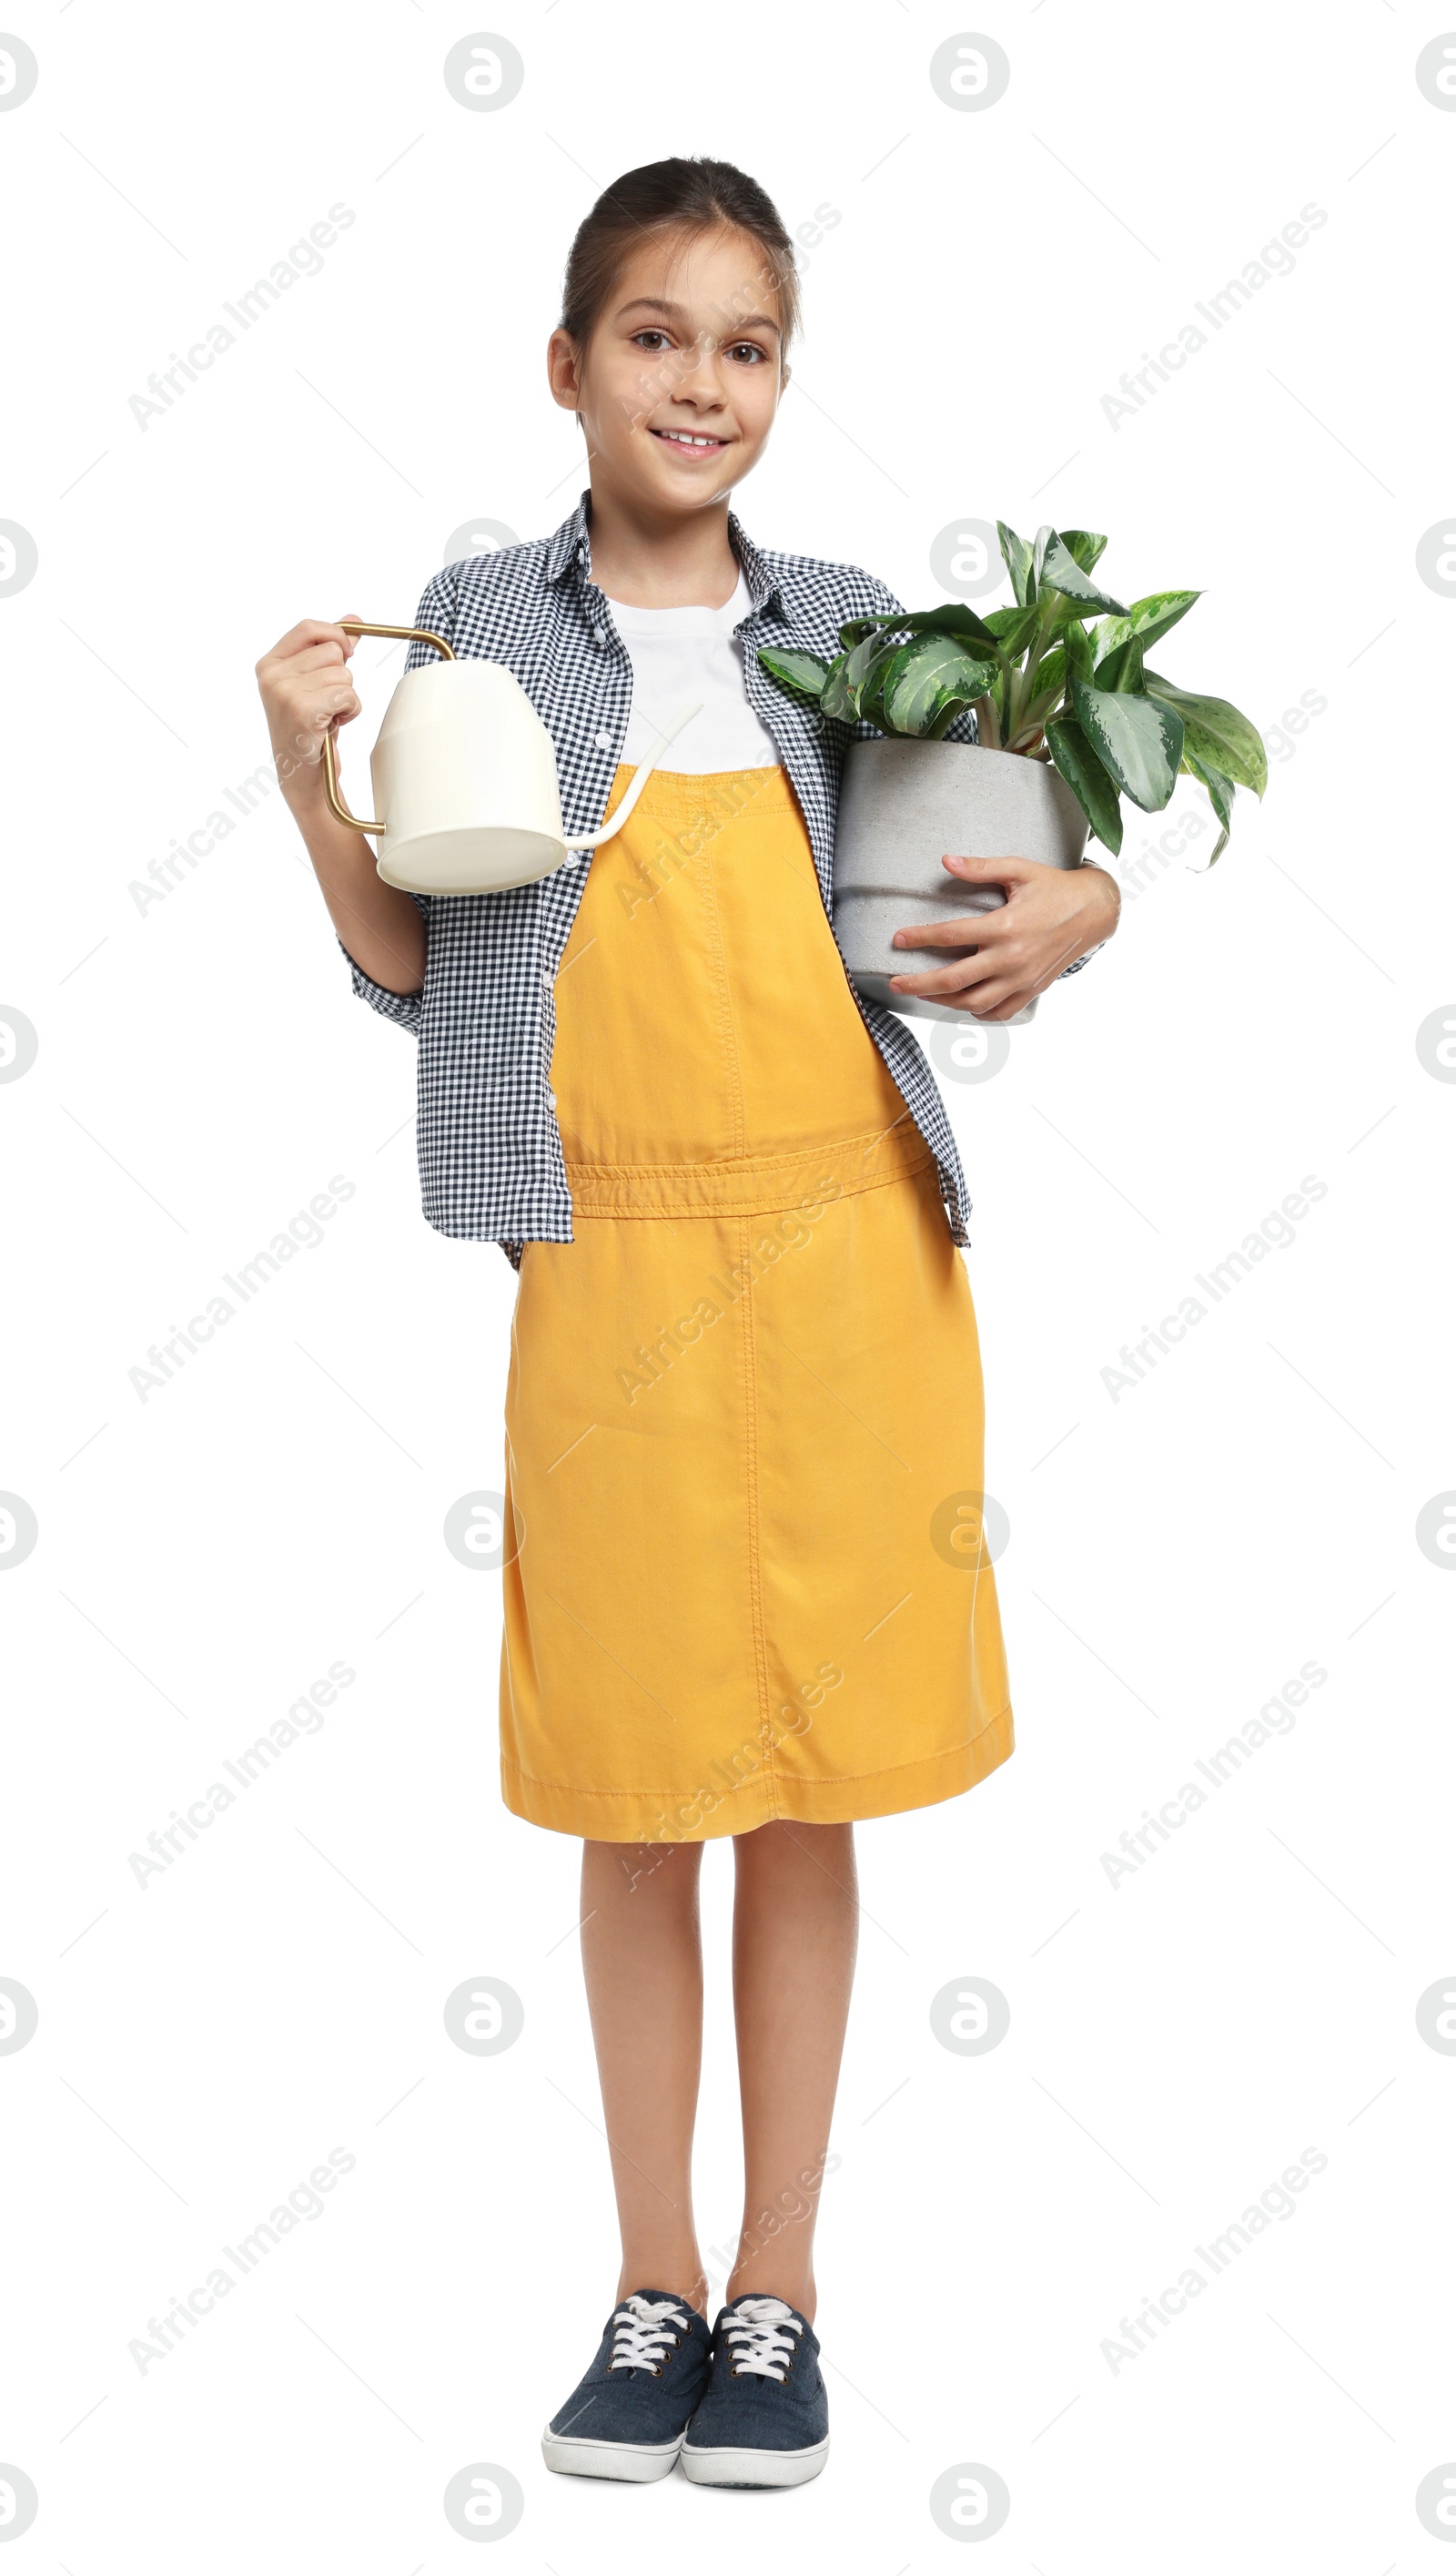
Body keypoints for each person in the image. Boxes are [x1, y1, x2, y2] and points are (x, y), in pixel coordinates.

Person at [255, 155, 1119, 2494]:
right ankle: (648, 2282)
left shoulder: (849, 624)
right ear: (567, 365)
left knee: (808, 1782)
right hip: (609, 1257)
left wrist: (1089, 892)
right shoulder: (478, 623)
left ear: (780, 378)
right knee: (641, 1786)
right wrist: (303, 782)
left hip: (852, 1250)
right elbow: (424, 969)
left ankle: (783, 2283)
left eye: (745, 343)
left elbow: (986, 878)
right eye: (656, 336)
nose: (700, 382)